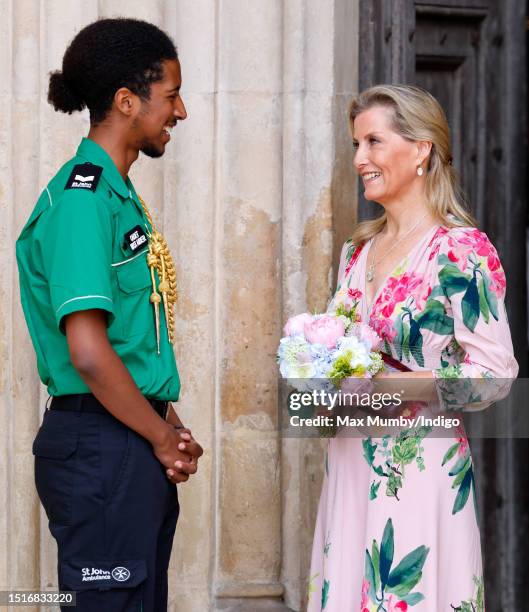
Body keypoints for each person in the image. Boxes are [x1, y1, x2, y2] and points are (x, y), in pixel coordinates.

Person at [306, 85, 518, 611]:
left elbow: (494, 372)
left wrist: (392, 387)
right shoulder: (356, 250)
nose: (360, 159)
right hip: (350, 458)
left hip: (419, 464)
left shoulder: (461, 250)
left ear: (421, 148)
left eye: (374, 142)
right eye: (356, 144)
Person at [15, 18, 202, 612]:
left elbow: (128, 342)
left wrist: (166, 423)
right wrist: (160, 437)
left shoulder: (115, 195)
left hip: (124, 438)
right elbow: (89, 353)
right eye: (171, 94)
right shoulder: (82, 199)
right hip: (102, 446)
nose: (181, 111)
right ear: (127, 101)